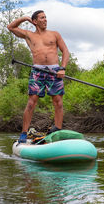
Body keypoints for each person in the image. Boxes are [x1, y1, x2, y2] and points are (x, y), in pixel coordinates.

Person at [7, 10, 70, 143]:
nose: (45, 20)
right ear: (35, 21)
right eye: (42, 18)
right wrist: (25, 18)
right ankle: (24, 133)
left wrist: (62, 68)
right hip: (37, 71)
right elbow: (11, 27)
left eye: (46, 17)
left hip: (54, 71)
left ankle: (57, 130)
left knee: (58, 102)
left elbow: (65, 51)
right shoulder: (29, 35)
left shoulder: (55, 34)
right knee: (31, 103)